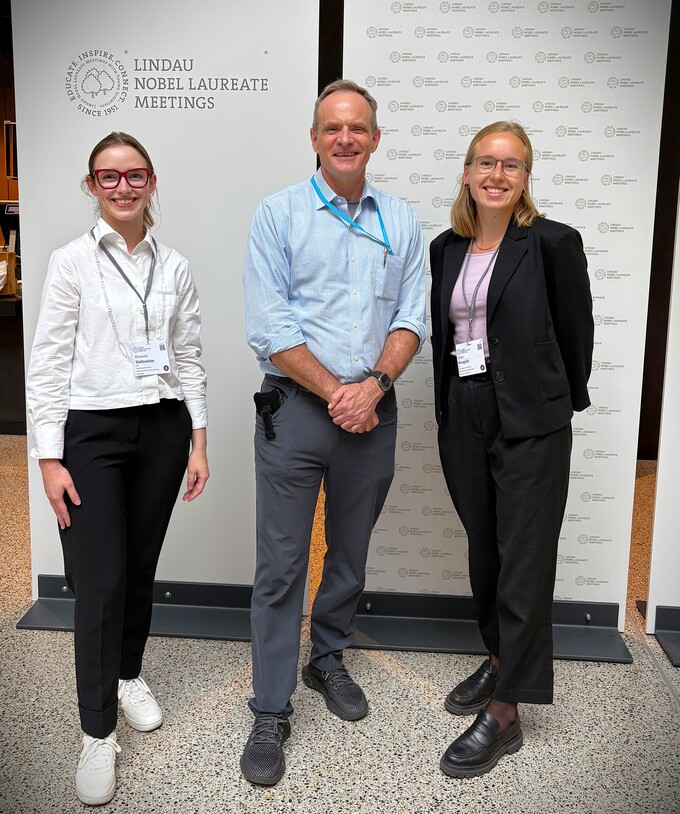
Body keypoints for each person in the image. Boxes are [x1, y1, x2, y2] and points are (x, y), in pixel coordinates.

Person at [241, 79, 426, 785]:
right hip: (295, 410)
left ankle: (328, 660)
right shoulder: (278, 215)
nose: (345, 138)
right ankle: (270, 707)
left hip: (372, 414)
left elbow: (413, 317)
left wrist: (372, 388)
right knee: (282, 565)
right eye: (331, 128)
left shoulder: (401, 220)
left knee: (350, 552)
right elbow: (269, 326)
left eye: (357, 128)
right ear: (314, 139)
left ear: (375, 138)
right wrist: (337, 394)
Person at [26, 132, 209, 805]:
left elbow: (188, 355)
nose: (124, 187)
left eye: (134, 176)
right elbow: (46, 363)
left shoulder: (176, 266)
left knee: (138, 568)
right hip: (91, 430)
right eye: (109, 177)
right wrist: (50, 457)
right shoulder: (71, 262)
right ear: (92, 186)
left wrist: (199, 437)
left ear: (152, 181)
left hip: (161, 427)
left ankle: (129, 674)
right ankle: (96, 732)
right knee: (99, 582)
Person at [430, 121, 593, 778]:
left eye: (512, 165)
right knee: (485, 550)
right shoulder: (446, 247)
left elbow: (575, 332)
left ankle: (505, 711)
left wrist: (558, 399)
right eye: (486, 163)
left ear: (526, 177)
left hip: (531, 419)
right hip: (466, 412)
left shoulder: (551, 243)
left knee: (523, 561)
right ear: (467, 173)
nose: (497, 175)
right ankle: (500, 658)